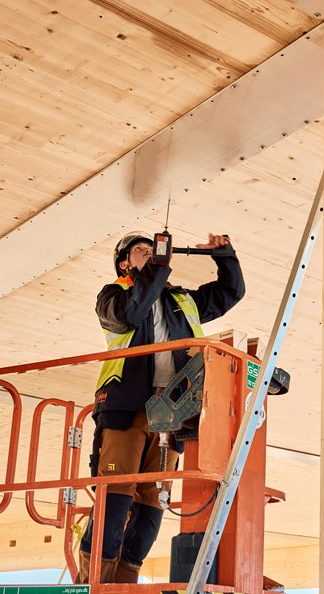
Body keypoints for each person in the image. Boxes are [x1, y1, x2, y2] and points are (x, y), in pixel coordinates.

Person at [77, 231, 245, 584]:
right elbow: (132, 313)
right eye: (140, 249)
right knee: (117, 494)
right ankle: (92, 582)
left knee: (151, 504)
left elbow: (231, 292)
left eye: (152, 249)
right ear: (124, 263)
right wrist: (155, 272)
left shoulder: (182, 299)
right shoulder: (113, 296)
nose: (149, 253)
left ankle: (123, 583)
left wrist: (224, 255)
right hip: (127, 408)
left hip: (171, 413)